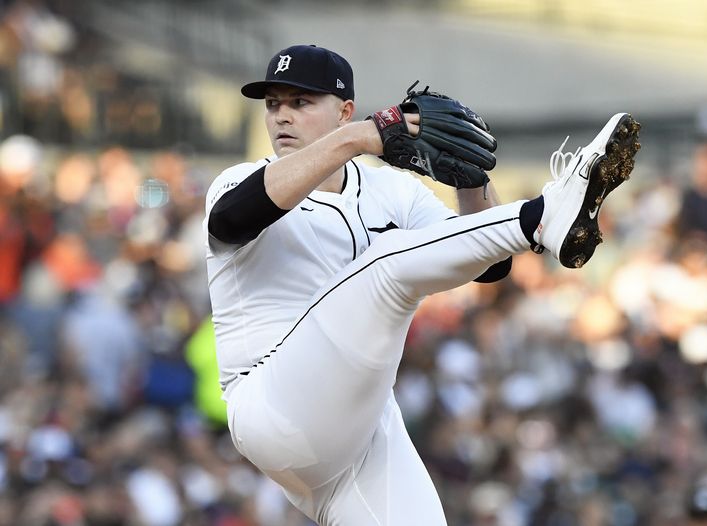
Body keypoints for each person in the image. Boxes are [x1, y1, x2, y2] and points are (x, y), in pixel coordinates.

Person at [203, 44, 639, 525]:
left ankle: (543, 218)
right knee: (384, 265)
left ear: (344, 110)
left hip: (359, 428)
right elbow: (230, 220)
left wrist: (471, 176)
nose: (282, 116)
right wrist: (360, 136)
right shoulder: (241, 180)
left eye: (300, 102)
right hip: (270, 402)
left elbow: (489, 266)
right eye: (273, 104)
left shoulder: (393, 191)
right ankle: (545, 215)